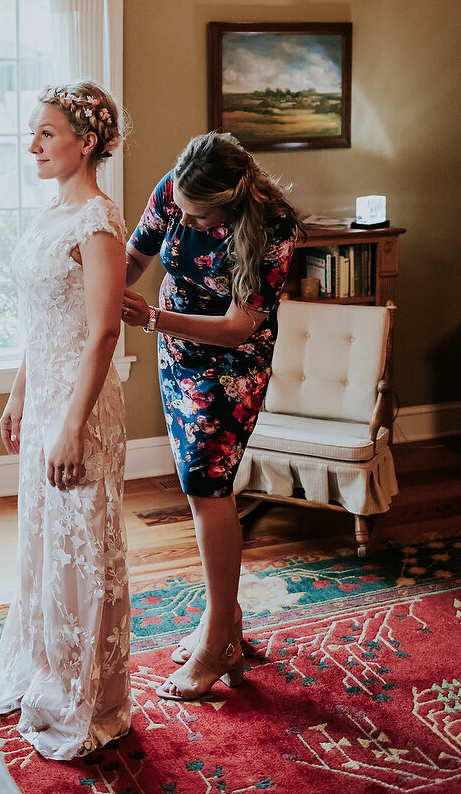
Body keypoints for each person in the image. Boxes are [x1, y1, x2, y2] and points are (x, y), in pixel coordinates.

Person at [123, 131, 302, 702]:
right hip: (176, 352)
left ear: (230, 204)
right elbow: (134, 257)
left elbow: (239, 325)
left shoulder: (274, 227)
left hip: (232, 364)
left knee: (207, 483)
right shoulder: (175, 190)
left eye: (200, 219)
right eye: (184, 213)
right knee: (196, 482)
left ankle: (217, 638)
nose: (188, 221)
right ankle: (223, 620)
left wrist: (152, 318)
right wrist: (89, 294)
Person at [0, 82, 131, 760]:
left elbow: (103, 333)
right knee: (44, 542)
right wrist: (20, 392)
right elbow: (41, 321)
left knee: (80, 547)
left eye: (45, 133)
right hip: (43, 398)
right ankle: (42, 665)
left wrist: (72, 426)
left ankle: (84, 694)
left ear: (87, 143)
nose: (33, 145)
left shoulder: (98, 223)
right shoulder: (50, 215)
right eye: (34, 132)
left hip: (81, 404)